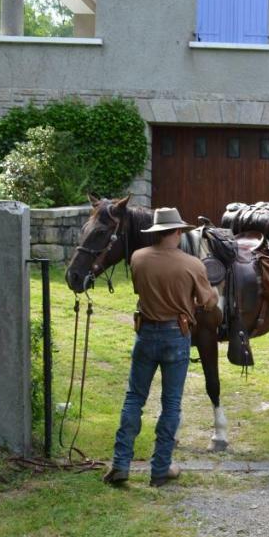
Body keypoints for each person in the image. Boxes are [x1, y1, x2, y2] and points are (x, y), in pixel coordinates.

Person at [104, 207, 218, 488]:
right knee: (171, 404)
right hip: (176, 336)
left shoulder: (138, 258)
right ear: (178, 232)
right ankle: (160, 468)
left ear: (156, 232)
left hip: (145, 333)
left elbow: (140, 291)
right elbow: (208, 303)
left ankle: (120, 464)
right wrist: (213, 292)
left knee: (134, 398)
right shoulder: (193, 264)